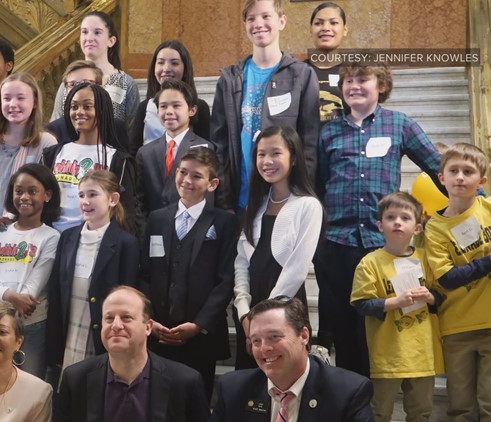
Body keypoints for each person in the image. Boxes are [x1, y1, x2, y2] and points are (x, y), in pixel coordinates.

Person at [315, 63, 444, 376]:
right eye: (348, 81)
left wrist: (478, 201)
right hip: (336, 244)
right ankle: (352, 397)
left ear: (381, 86)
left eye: (363, 79)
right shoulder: (329, 131)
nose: (354, 86)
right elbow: (317, 185)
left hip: (381, 247)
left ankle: (379, 399)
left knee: (380, 325)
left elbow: (438, 168)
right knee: (344, 327)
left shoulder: (399, 124)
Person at [424, 142, 491, 421]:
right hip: (457, 327)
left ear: (481, 180)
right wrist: (490, 263)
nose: (460, 177)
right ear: (442, 178)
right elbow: (446, 278)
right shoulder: (435, 228)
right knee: (460, 405)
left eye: (468, 171)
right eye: (454, 170)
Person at [0, 72, 57, 365]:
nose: (13, 104)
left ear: (34, 103)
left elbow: (38, 192)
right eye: (7, 98)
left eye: (20, 98)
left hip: (22, 242)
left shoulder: (46, 142)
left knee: (20, 325)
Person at [139, 146, 236, 401]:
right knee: (155, 401)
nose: (187, 180)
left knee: (195, 402)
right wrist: (150, 319)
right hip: (158, 331)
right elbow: (145, 273)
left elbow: (226, 280)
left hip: (200, 336)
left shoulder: (224, 223)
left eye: (196, 176)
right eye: (183, 172)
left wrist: (199, 324)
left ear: (212, 183)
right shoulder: (157, 219)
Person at [210, 0, 319, 212]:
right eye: (251, 18)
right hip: (239, 201)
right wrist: (223, 200)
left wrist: (300, 196)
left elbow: (310, 146)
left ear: (282, 21)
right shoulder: (230, 78)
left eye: (266, 16)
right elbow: (219, 145)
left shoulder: (302, 75)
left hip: (285, 201)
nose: (258, 23)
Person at [233, 125, 322, 369]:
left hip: (285, 309)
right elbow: (241, 262)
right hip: (249, 313)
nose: (267, 161)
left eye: (275, 153)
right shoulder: (256, 205)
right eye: (261, 154)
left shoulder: (308, 206)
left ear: (293, 158)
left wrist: (262, 318)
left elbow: (296, 270)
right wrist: (244, 311)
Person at [351, 192, 443, 422]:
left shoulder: (426, 259)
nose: (398, 222)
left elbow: (442, 298)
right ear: (380, 225)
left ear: (417, 228)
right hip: (387, 355)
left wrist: (431, 298)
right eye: (391, 217)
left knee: (421, 412)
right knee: (379, 412)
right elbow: (362, 304)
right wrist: (396, 302)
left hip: (423, 355)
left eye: (405, 217)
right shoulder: (370, 262)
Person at [55, 286, 209, 422]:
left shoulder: (185, 382)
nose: (116, 325)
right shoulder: (75, 379)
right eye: (108, 318)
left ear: (148, 327)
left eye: (126, 317)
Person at [211, 297, 374, 422]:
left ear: (304, 335)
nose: (264, 348)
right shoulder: (233, 389)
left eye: (274, 337)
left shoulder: (348, 392)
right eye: (256, 340)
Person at [46, 170, 139, 377]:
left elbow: (127, 297)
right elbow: (56, 292)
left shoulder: (126, 244)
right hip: (69, 329)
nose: (85, 201)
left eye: (93, 195)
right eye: (81, 195)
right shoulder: (68, 238)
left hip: (100, 333)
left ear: (113, 199)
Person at [0, 164, 61, 379]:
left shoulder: (51, 237)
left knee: (30, 388)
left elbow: (34, 286)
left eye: (32, 191)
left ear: (47, 195)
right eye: (18, 191)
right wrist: (13, 297)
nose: (24, 197)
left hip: (32, 326)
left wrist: (17, 302)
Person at [42, 83, 139, 235]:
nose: (79, 112)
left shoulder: (119, 160)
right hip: (52, 237)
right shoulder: (52, 154)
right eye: (74, 107)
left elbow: (126, 212)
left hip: (95, 239)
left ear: (102, 111)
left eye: (87, 107)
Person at [136, 80, 219, 218]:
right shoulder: (145, 152)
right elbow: (139, 199)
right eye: (163, 106)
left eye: (176, 106)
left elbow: (208, 198)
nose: (169, 111)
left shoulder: (205, 147)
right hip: (154, 229)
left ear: (192, 110)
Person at [50, 11, 139, 137]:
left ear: (111, 41)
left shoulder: (125, 83)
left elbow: (131, 133)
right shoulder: (69, 82)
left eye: (97, 32)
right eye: (84, 32)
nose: (89, 38)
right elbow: (55, 128)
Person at [131, 40, 211, 150]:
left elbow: (206, 153)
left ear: (185, 69)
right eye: (160, 62)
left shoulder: (200, 107)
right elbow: (133, 152)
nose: (166, 69)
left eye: (174, 63)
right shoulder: (144, 107)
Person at [44, 60, 131, 152]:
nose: (79, 88)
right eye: (72, 84)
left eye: (86, 83)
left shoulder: (116, 127)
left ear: (100, 87)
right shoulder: (53, 130)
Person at [305, 2, 350, 129]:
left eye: (333, 23)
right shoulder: (299, 71)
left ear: (344, 30)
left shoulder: (353, 72)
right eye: (318, 23)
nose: (325, 28)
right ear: (311, 29)